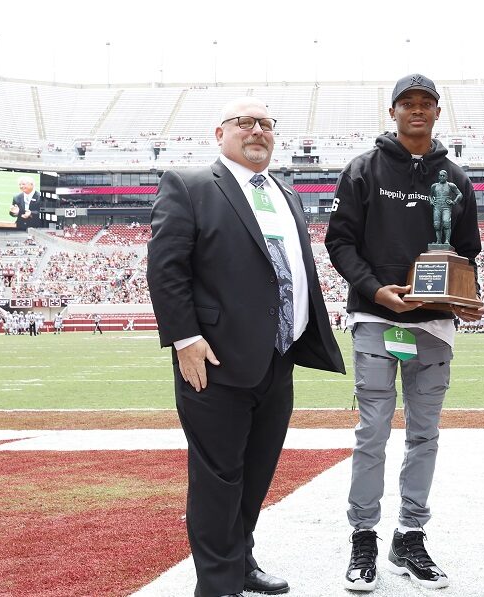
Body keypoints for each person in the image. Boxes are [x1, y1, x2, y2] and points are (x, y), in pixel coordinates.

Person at [147, 96, 345, 597]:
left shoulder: (285, 191)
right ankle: (217, 586)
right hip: (212, 361)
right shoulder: (190, 185)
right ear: (220, 133)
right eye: (245, 122)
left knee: (257, 473)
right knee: (218, 478)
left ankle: (241, 561)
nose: (257, 130)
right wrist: (185, 338)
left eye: (266, 123)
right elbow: (166, 268)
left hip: (278, 358)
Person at [325, 73, 483, 593]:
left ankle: (410, 536)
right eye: (407, 103)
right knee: (371, 433)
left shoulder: (456, 179)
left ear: (438, 112)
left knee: (424, 436)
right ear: (391, 111)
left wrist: (468, 299)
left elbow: (466, 252)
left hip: (434, 326)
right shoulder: (363, 169)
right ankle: (363, 538)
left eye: (426, 103)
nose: (417, 110)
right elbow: (340, 242)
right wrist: (375, 290)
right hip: (376, 319)